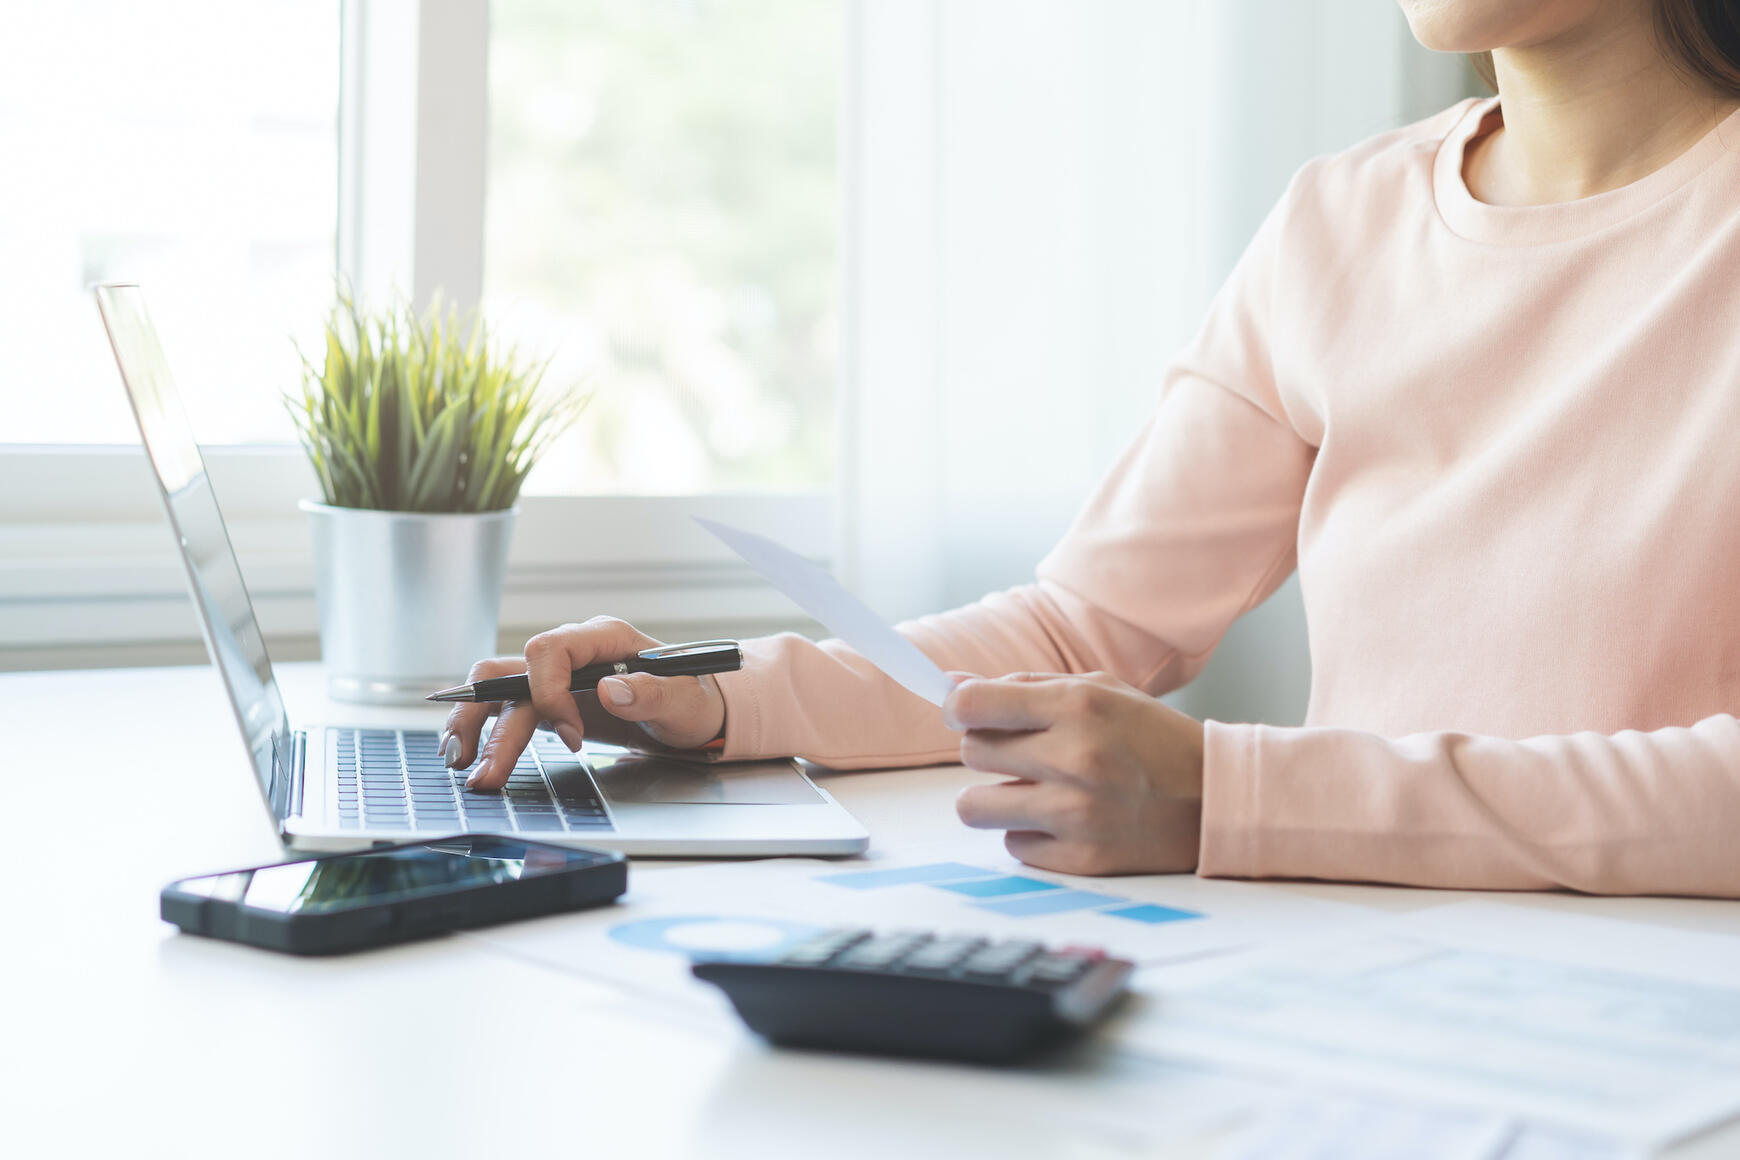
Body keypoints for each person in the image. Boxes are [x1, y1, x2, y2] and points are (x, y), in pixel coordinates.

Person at [442, 0, 1740, 896]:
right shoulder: (1342, 226)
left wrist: (1237, 796)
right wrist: (722, 699)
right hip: (1357, 979)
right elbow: (1080, 630)